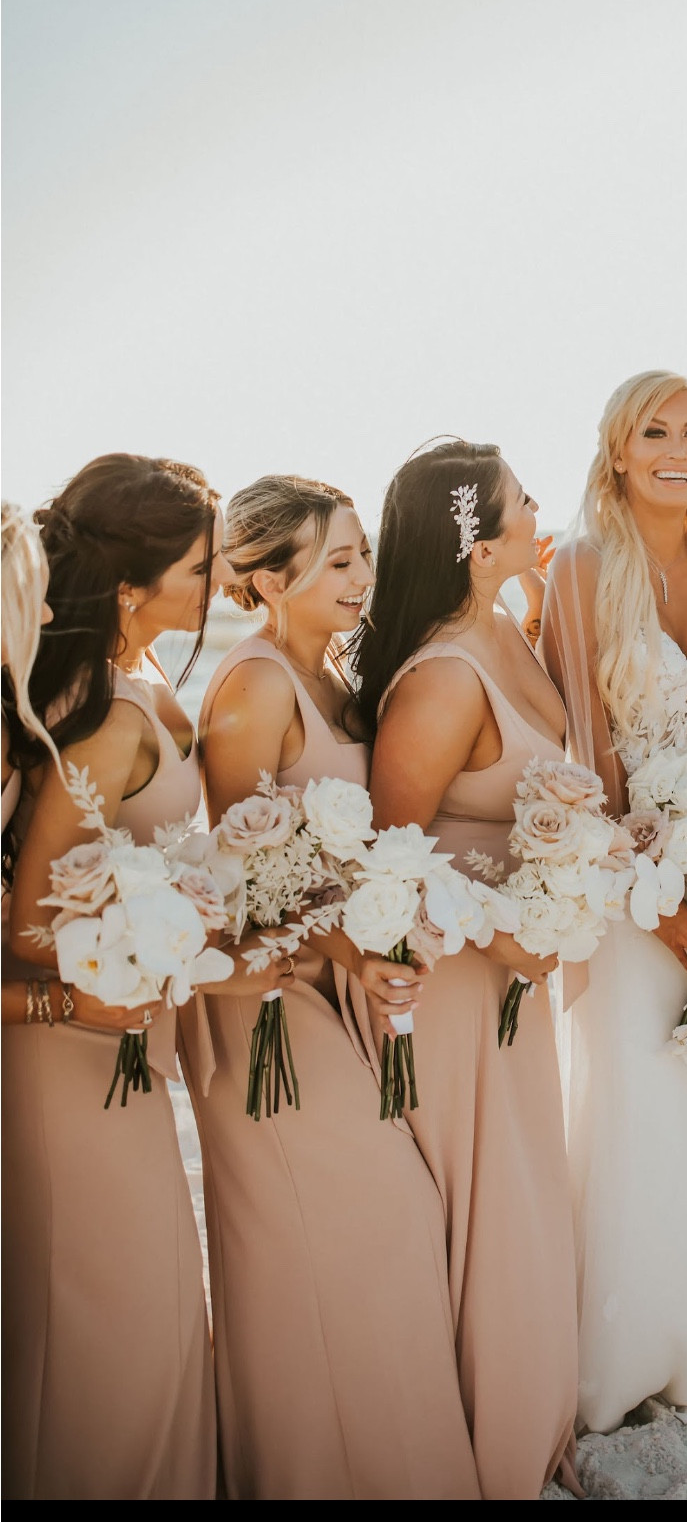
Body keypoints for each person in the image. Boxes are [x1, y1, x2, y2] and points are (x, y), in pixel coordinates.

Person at [185, 474, 479, 1500]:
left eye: (363, 554)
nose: (362, 575)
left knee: (373, 1221)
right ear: (268, 577)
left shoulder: (336, 677)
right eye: (339, 558)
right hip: (257, 1005)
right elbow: (226, 882)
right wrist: (348, 941)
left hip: (324, 984)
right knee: (373, 1206)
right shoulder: (255, 684)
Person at [541, 370, 687, 1431]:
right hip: (630, 885)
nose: (678, 447)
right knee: (635, 1099)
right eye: (656, 429)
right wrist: (653, 896)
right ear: (619, 449)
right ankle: (620, 1357)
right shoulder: (583, 568)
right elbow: (584, 755)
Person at [351, 439, 578, 1499]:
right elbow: (391, 861)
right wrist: (501, 931)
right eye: (525, 501)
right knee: (485, 1204)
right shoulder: (445, 673)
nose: (543, 511)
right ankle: (484, 1446)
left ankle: (530, 1426)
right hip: (455, 975)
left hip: (518, 963)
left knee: (527, 1189)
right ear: (478, 543)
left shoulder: (513, 631)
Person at [3, 456, 223, 1499]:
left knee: (157, 1296)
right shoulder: (97, 713)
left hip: (128, 1045)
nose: (213, 577)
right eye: (199, 562)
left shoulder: (153, 683)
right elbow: (32, 917)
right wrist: (152, 935)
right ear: (132, 584)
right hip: (69, 1054)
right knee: (104, 1307)